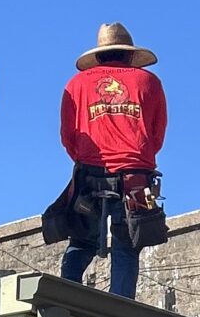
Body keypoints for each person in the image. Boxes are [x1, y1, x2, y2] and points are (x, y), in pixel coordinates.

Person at [57, 23, 167, 300]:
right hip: (136, 176)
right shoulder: (149, 82)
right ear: (130, 55)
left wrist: (88, 159)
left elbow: (68, 135)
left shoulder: (76, 84)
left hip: (89, 174)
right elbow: (157, 133)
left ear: (99, 55)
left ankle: (64, 299)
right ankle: (121, 308)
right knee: (128, 243)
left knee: (81, 240)